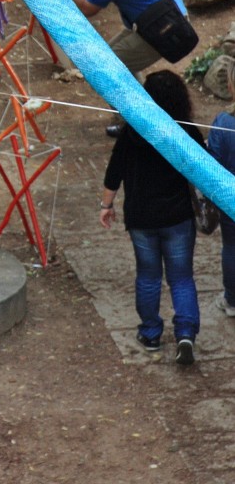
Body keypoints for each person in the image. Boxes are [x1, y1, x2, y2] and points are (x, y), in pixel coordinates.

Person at [99, 69, 203, 367]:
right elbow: (202, 170)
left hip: (142, 218)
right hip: (178, 218)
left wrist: (106, 205)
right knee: (181, 277)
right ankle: (185, 333)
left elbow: (113, 172)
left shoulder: (132, 132)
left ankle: (151, 334)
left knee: (148, 276)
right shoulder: (187, 131)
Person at [59, 0, 193, 136]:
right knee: (116, 61)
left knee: (102, 67)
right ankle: (137, 119)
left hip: (163, 29)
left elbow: (88, 8)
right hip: (164, 21)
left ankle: (137, 124)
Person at [206, 58, 235, 318]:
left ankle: (232, 300)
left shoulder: (223, 122)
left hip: (229, 199)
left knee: (232, 247)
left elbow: (211, 163)